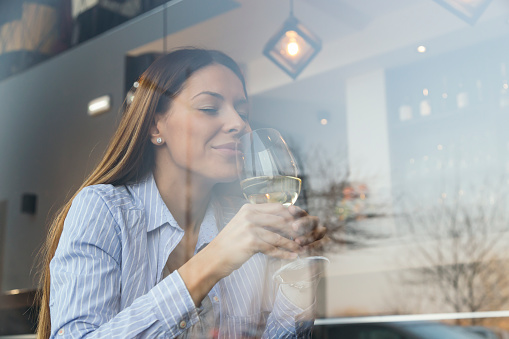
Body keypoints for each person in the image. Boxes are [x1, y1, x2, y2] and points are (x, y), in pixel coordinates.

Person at [36, 48, 326, 339]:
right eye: (209, 108)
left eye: (243, 112)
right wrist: (213, 260)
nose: (239, 123)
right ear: (154, 125)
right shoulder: (104, 210)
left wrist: (297, 283)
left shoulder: (243, 224)